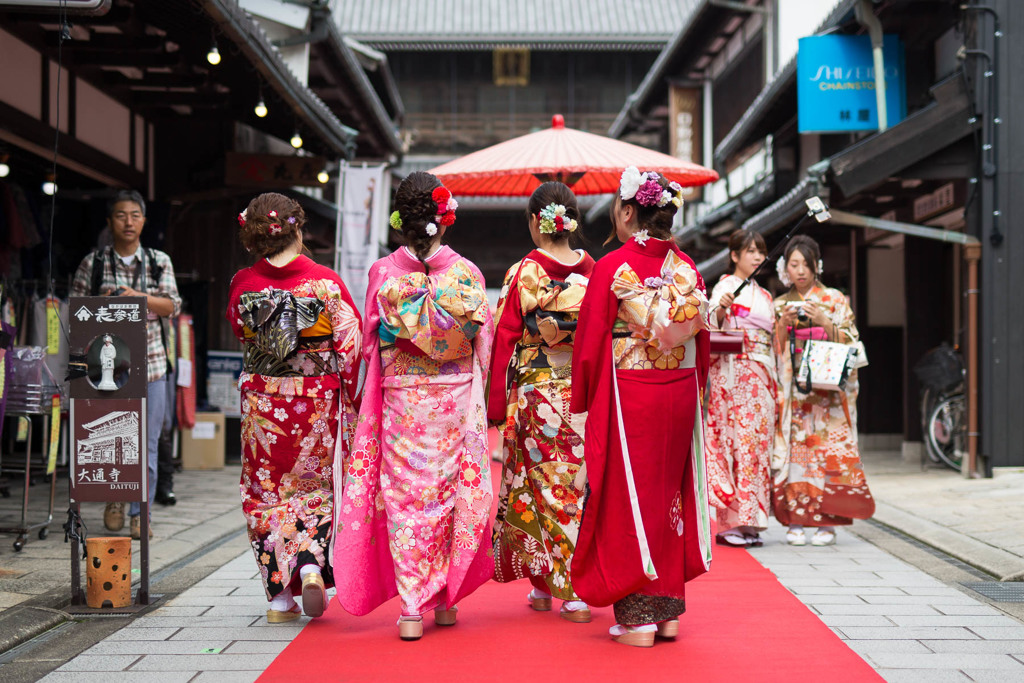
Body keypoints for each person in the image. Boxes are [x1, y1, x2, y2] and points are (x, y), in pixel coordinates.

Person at [334, 172, 494, 641]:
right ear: (445, 220)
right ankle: (444, 599)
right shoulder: (466, 273)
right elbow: (481, 342)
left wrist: (400, 339)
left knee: (407, 500)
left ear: (401, 219)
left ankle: (411, 607)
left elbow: (367, 343)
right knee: (445, 497)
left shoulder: (383, 273)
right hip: (455, 396)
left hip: (403, 398)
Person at [570, 167, 712, 648]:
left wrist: (582, 404)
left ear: (630, 211)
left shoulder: (613, 266)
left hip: (631, 392)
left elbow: (590, 344)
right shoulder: (688, 268)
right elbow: (703, 342)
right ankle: (668, 609)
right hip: (679, 389)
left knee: (627, 497)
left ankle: (638, 620)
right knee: (668, 495)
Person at [226, 193, 361, 623]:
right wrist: (355, 399)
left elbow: (238, 330)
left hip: (263, 401)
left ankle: (279, 598)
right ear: (297, 230)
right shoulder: (325, 282)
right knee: (314, 489)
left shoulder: (243, 283)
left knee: (264, 493)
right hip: (316, 400)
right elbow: (351, 347)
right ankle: (308, 565)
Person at [488, 182, 595, 623]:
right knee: (572, 485)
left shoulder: (523, 272)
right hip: (583, 392)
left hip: (536, 391)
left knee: (537, 485)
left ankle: (565, 585)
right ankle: (548, 582)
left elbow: (503, 338)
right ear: (571, 222)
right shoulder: (598, 271)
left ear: (536, 222)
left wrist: (495, 404)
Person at [71, 189, 182, 540]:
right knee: (112, 435)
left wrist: (138, 300)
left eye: (135, 215)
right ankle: (115, 500)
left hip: (150, 366)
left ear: (144, 220)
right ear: (109, 222)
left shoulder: (159, 260)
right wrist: (101, 304)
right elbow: (75, 310)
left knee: (147, 442)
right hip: (106, 371)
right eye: (121, 215)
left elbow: (172, 305)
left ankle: (139, 512)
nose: (128, 222)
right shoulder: (94, 263)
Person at [773, 235, 874, 546]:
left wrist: (824, 321)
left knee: (826, 454)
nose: (800, 271)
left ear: (817, 266)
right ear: (785, 269)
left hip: (827, 395)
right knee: (797, 456)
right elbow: (772, 350)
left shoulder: (834, 299)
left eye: (806, 264)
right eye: (794, 264)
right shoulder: (779, 305)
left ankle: (827, 523)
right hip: (797, 394)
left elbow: (851, 339)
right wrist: (781, 325)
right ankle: (796, 520)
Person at [705, 230, 777, 548]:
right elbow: (710, 324)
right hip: (734, 375)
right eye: (750, 251)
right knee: (735, 443)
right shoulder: (725, 286)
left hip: (761, 374)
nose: (757, 258)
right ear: (734, 256)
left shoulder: (764, 294)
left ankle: (751, 521)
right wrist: (720, 309)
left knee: (756, 447)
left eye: (760, 252)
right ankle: (733, 521)